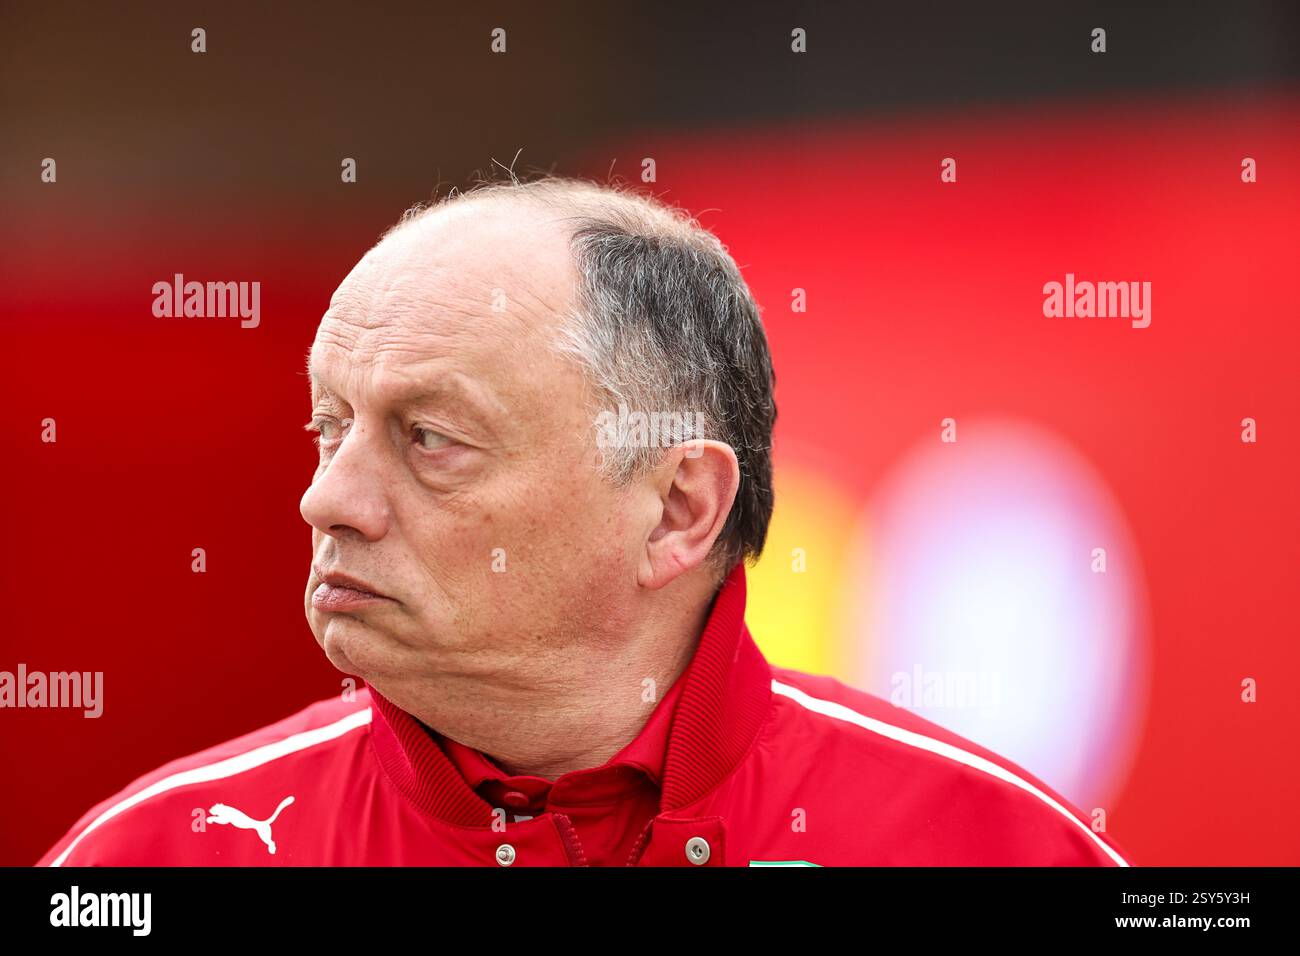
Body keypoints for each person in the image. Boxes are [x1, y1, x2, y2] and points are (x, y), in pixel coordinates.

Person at [38, 175, 1131, 866]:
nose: (328, 498)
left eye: (431, 439)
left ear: (677, 507)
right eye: (331, 426)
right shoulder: (156, 856)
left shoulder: (994, 843)